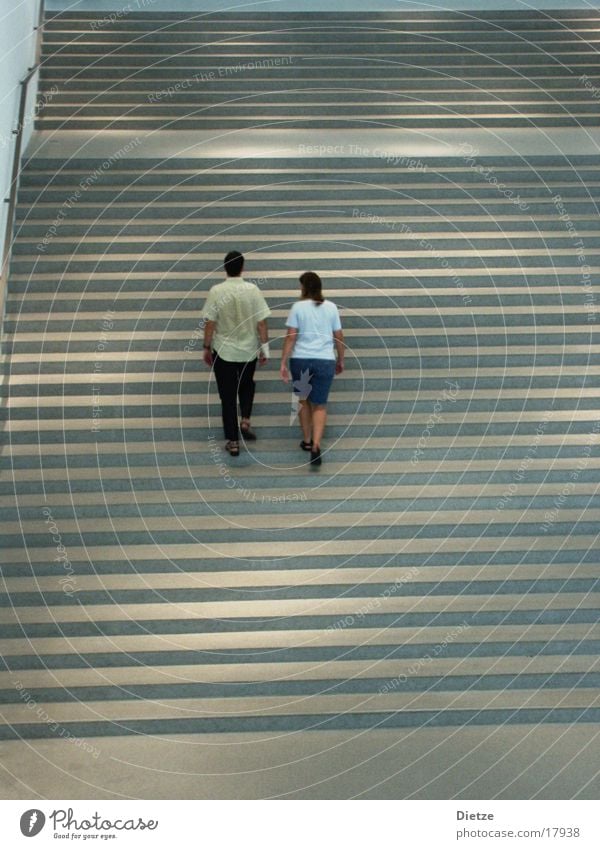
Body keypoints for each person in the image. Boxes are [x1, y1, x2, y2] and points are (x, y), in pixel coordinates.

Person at [201, 251, 271, 456]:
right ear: (243, 267)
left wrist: (206, 347)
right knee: (247, 384)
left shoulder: (216, 291)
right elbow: (262, 323)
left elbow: (210, 323)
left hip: (223, 351)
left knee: (228, 396)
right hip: (248, 349)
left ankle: (233, 441)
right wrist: (264, 348)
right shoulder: (253, 290)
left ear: (225, 268)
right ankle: (246, 420)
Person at [280, 271, 344, 466]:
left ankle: (307, 440)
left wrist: (283, 361)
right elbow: (338, 336)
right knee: (320, 404)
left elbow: (291, 337)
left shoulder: (297, 307)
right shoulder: (331, 307)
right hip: (325, 360)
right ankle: (317, 445)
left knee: (303, 399)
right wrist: (341, 359)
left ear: (304, 287)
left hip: (301, 360)